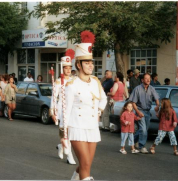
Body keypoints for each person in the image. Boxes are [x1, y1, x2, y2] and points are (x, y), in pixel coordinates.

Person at [65, 31, 107, 180]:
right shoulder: (71, 85)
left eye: (91, 62)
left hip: (92, 127)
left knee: (86, 164)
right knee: (85, 163)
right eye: (87, 63)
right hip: (76, 127)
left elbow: (104, 99)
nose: (91, 65)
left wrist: (99, 111)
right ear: (78, 65)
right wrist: (63, 135)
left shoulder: (95, 82)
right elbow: (66, 110)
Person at [49, 55, 77, 165]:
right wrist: (53, 112)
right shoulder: (58, 82)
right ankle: (69, 155)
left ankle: (61, 146)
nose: (68, 70)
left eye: (70, 68)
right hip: (62, 110)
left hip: (73, 110)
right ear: (62, 69)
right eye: (66, 68)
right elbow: (53, 98)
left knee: (70, 134)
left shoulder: (74, 80)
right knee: (64, 134)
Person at [128, 73, 160, 153]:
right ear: (142, 80)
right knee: (143, 129)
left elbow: (156, 99)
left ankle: (132, 141)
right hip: (139, 110)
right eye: (146, 78)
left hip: (147, 112)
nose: (148, 80)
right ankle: (141, 146)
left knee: (144, 129)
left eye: (149, 78)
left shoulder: (152, 89)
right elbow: (133, 103)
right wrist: (138, 112)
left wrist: (157, 106)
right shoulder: (137, 89)